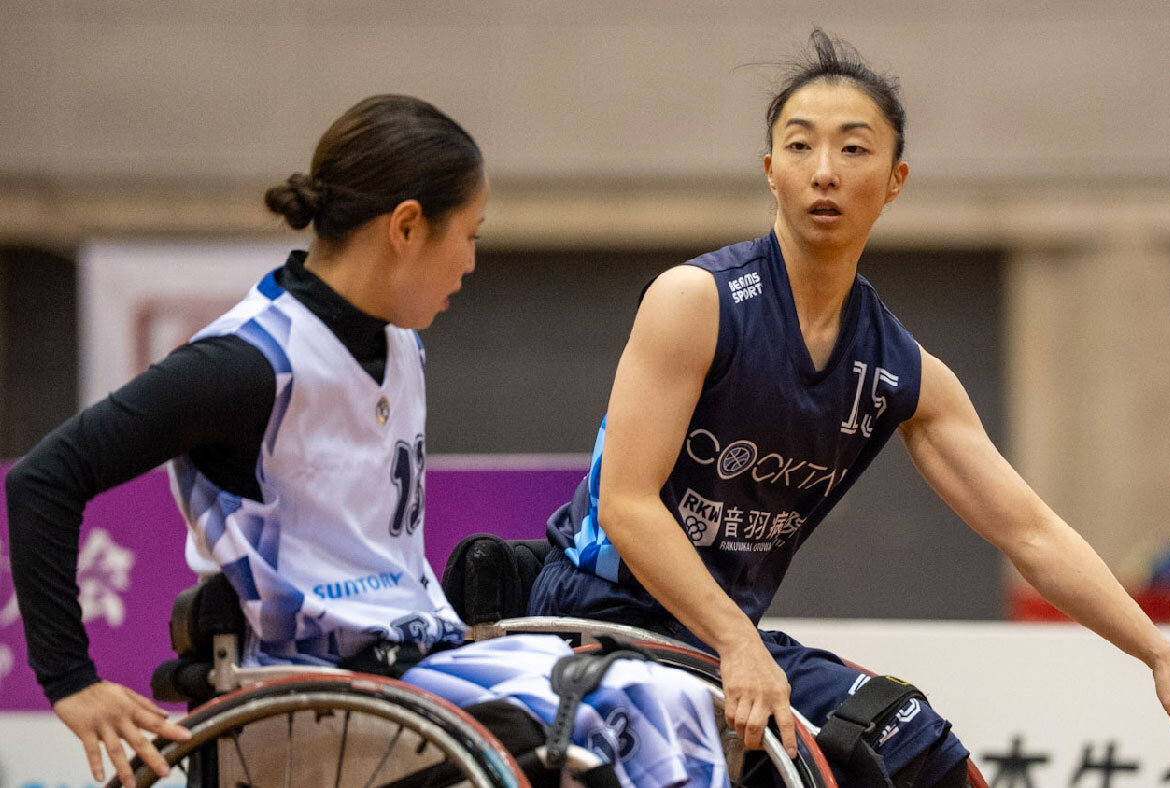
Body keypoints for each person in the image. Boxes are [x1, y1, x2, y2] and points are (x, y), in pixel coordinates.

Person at [529, 30, 1170, 788]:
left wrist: (1158, 652)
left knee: (914, 748)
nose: (825, 171)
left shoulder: (900, 370)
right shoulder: (696, 302)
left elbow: (1031, 533)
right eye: (800, 148)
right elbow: (628, 504)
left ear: (896, 179)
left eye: (854, 149)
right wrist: (740, 643)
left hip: (720, 639)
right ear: (771, 171)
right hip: (602, 612)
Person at [5, 94, 724, 788]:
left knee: (672, 700)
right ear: (406, 226)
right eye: (468, 236)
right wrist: (71, 681)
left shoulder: (400, 344)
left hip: (415, 657)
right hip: (307, 682)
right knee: (583, 737)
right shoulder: (248, 363)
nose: (472, 264)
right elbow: (42, 478)